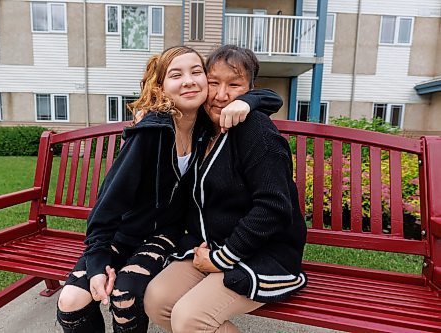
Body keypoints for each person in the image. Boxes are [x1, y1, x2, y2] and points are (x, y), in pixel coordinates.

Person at [56, 45, 282, 333]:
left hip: (165, 234)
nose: (189, 80)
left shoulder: (207, 125)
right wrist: (98, 262)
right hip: (122, 232)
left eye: (196, 72)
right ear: (161, 87)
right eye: (176, 75)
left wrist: (249, 102)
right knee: (71, 298)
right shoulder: (153, 132)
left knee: (125, 293)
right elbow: (108, 203)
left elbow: (270, 96)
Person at [144, 45, 307, 333]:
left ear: (249, 89)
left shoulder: (256, 130)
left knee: (189, 318)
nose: (221, 95)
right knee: (157, 300)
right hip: (210, 246)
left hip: (260, 253)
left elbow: (273, 207)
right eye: (214, 82)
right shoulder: (203, 127)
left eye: (234, 85)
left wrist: (223, 259)